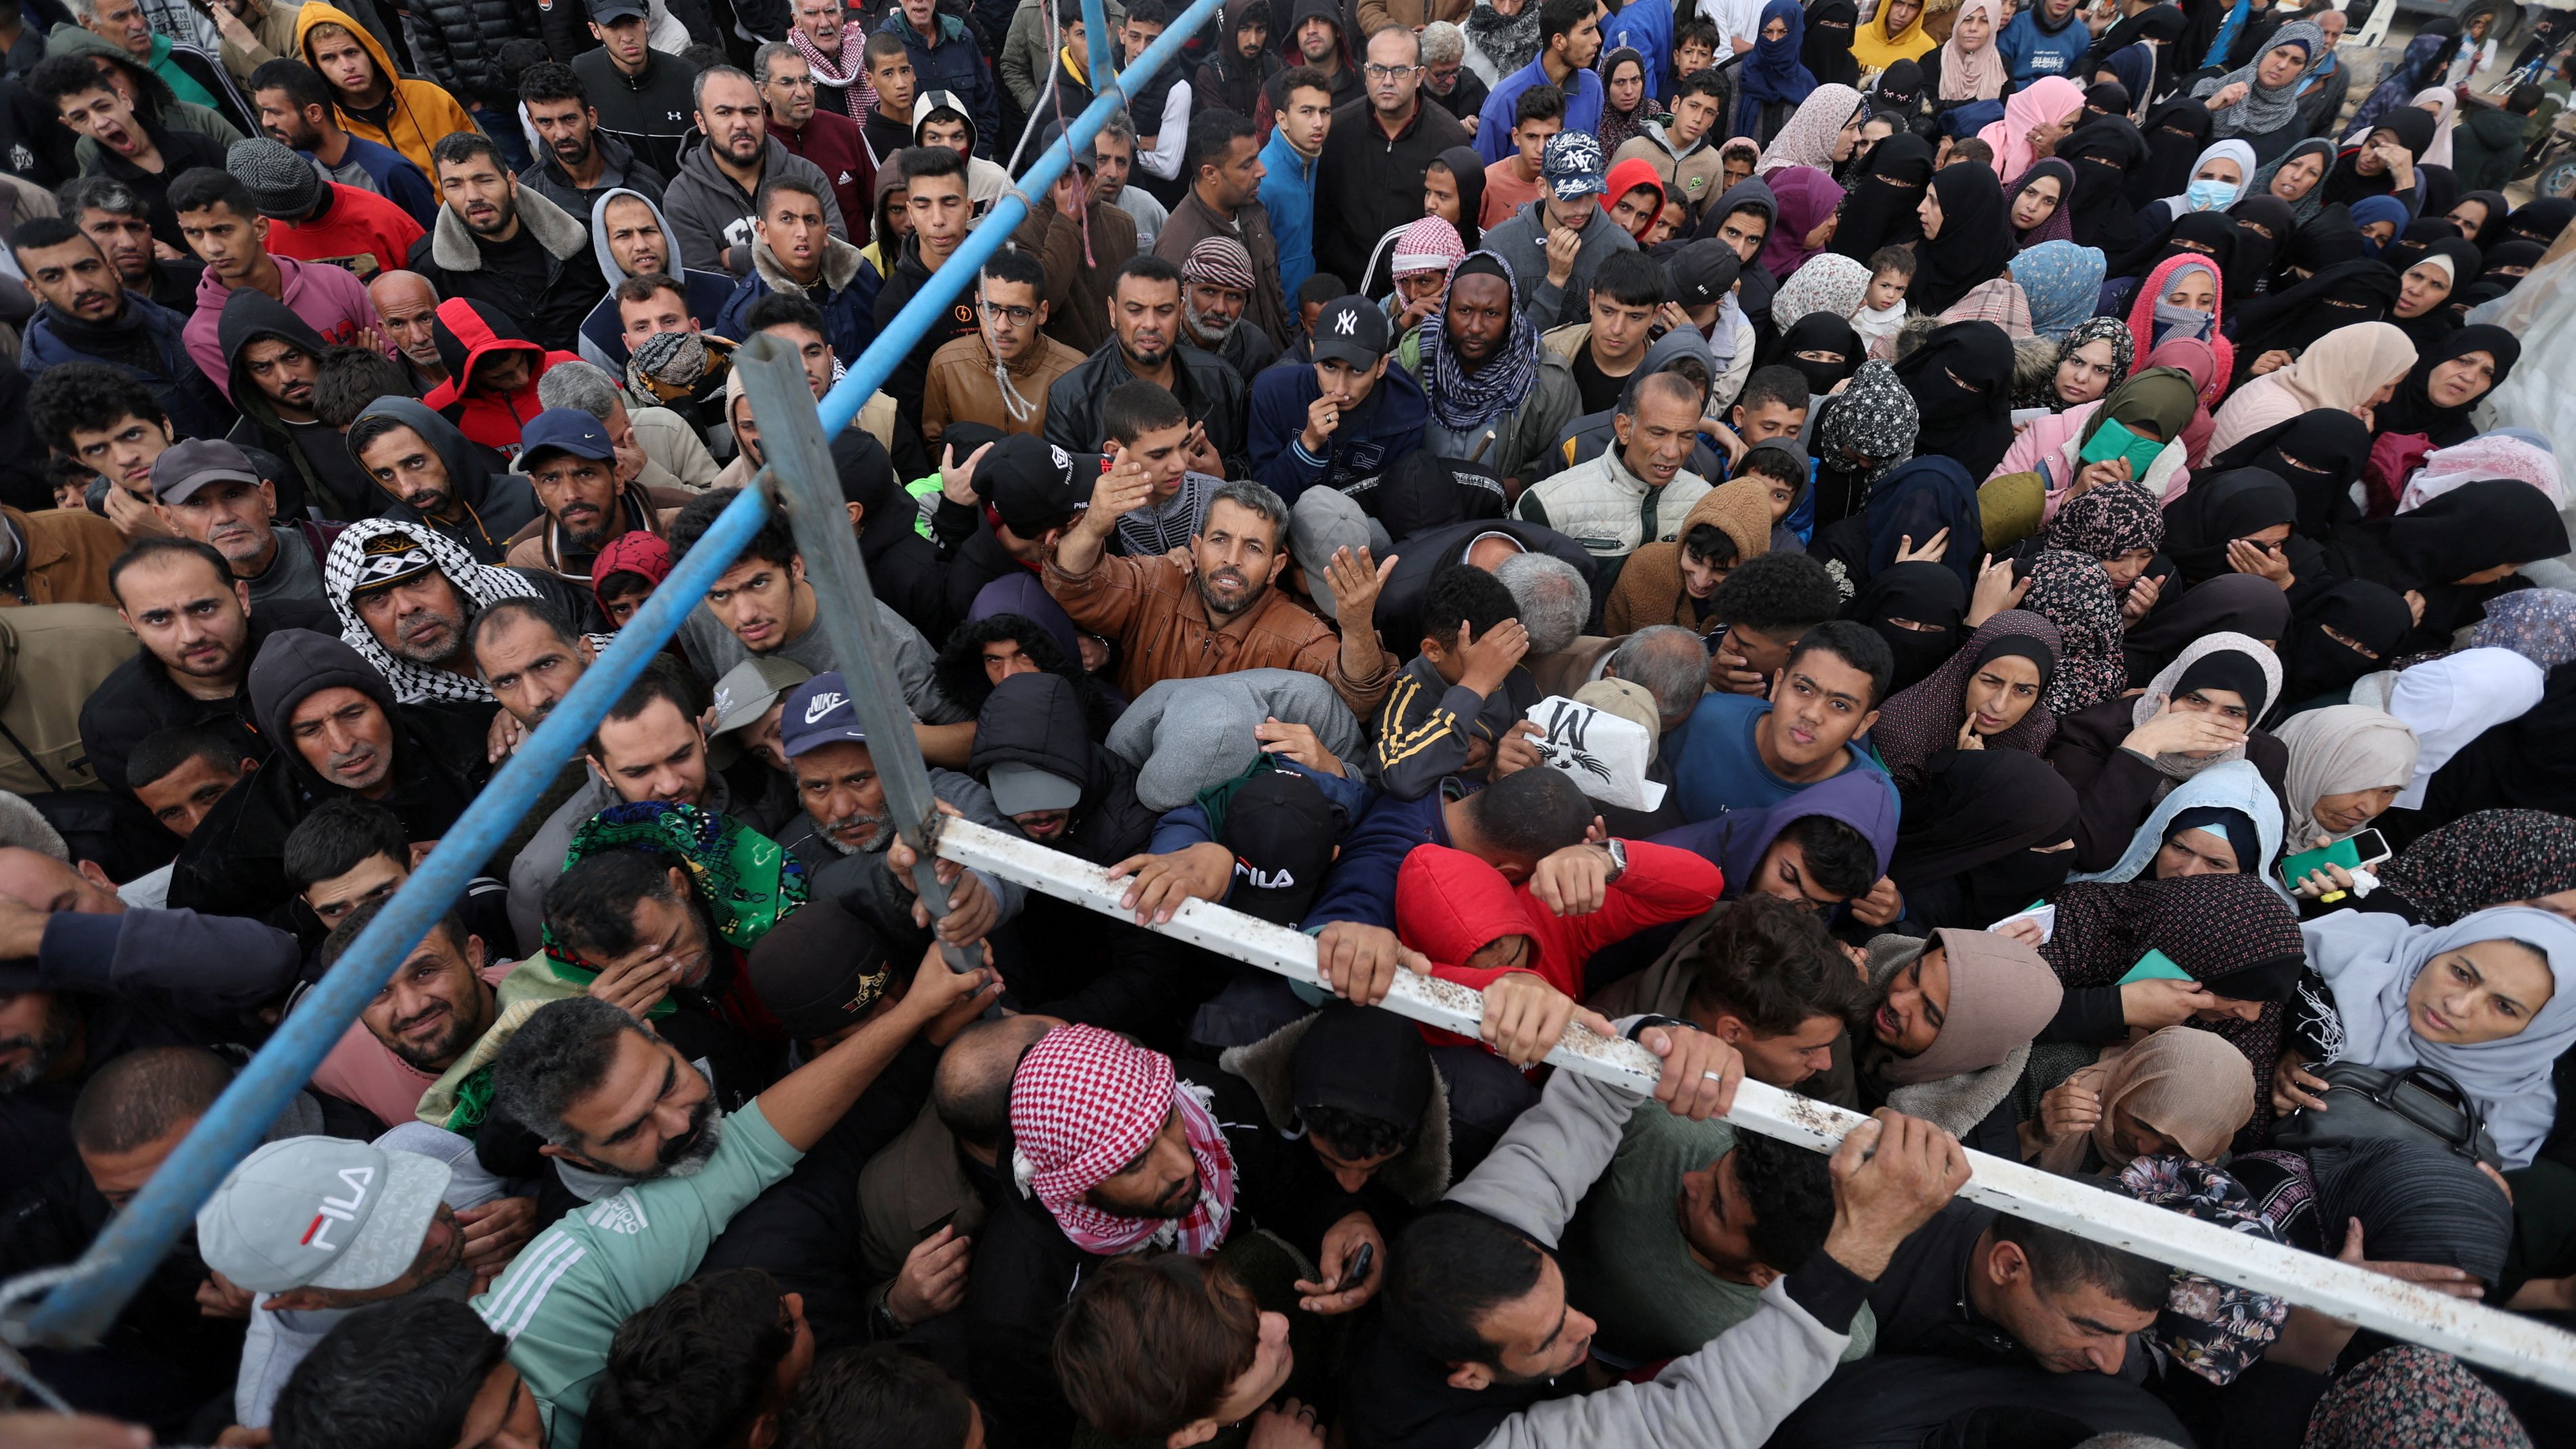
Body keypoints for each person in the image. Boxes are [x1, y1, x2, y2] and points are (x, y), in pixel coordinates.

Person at [167, 624, 491, 917]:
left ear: (385, 705)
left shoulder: (476, 739)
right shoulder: (232, 851)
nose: (342, 744)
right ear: (285, 744)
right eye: (310, 730)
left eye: (352, 714)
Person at [1047, 463, 1396, 718]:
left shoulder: (1299, 635)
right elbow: (1075, 587)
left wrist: (1357, 627)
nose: (1232, 559)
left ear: (1276, 567)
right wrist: (1093, 526)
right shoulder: (1158, 582)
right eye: (1220, 540)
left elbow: (1357, 701)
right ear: (1196, 548)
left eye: (1254, 548)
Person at [2281, 907, 2576, 1170]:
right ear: (2438, 948)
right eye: (2461, 973)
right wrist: (2274, 1052)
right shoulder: (2327, 960)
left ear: (2540, 1031)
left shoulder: (2523, 1111)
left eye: (2504, 1007)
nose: (2456, 1006)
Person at [83, 535, 334, 798]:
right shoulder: (115, 723)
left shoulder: (327, 635)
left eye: (204, 609)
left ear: (242, 598)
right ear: (131, 623)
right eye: (159, 619)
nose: (190, 635)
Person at [13, 216, 232, 445]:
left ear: (112, 269)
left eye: (87, 267)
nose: (81, 287)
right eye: (54, 277)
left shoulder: (172, 323)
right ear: (35, 290)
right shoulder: (48, 384)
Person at [172, 165, 381, 397]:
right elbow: (266, 414)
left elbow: (389, 362)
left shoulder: (335, 282)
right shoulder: (205, 335)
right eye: (194, 233)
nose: (212, 248)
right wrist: (363, 374)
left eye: (222, 230)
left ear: (260, 228)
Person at [1044, 254, 1250, 476]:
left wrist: (1221, 477)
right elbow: (1063, 495)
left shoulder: (1222, 381)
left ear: (1181, 312)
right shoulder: (1071, 398)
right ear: (1113, 312)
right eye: (1135, 310)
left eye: (1164, 311)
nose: (1150, 324)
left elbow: (1252, 474)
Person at [1672, 619, 1896, 823]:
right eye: (1803, 689)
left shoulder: (1873, 802)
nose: (1812, 714)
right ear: (1778, 685)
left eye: (1840, 705)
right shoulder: (1707, 722)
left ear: (1864, 724)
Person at [1314, 25, 1471, 306]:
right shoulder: (1337, 131)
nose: (1387, 80)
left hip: (1418, 296)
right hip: (1345, 289)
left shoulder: (1448, 137)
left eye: (1399, 71)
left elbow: (1458, 226)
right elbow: (1322, 217)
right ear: (1365, 74)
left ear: (1419, 76)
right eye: (1378, 70)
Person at [1517, 369, 1711, 590]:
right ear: (1624, 429)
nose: (1672, 451)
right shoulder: (1548, 505)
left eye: (1686, 436)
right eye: (1658, 433)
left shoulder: (1707, 504)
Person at [23, 55, 230, 251]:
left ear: (124, 99)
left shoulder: (199, 145)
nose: (100, 122)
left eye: (103, 107)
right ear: (72, 126)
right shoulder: (100, 191)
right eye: (81, 117)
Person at [1249, 293, 1427, 504]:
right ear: (1313, 352)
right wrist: (1307, 444)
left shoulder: (1407, 410)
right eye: (1330, 366)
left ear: (1382, 366)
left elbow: (1398, 503)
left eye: (1357, 370)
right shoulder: (1274, 393)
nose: (1340, 389)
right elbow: (1261, 500)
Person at [289, 4, 477, 191]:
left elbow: (478, 159)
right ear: (316, 67)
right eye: (329, 58)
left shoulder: (429, 94)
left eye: (351, 52)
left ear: (369, 51)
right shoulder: (324, 125)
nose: (347, 66)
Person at [920, 249, 1084, 453]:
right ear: (977, 301)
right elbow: (936, 445)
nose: (1001, 326)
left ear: (1042, 313)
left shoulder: (1074, 372)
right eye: (991, 309)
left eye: (1018, 312)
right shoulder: (946, 365)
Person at [344, 396, 544, 562]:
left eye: (415, 463)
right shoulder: (390, 540)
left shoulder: (532, 498)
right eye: (386, 475)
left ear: (447, 449)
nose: (407, 489)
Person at [1483, 130, 1638, 329]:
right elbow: (1511, 345)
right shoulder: (1500, 245)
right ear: (1542, 187)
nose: (1581, 209)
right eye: (1570, 195)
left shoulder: (1622, 249)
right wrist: (1555, 280)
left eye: (1591, 194)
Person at [151, 436, 330, 609]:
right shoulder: (173, 604)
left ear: (268, 497)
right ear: (169, 520)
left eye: (233, 495)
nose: (223, 517)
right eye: (196, 503)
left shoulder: (342, 545)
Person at [710, 175, 872, 365]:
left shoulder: (862, 275)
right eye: (787, 219)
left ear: (826, 233)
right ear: (763, 231)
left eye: (811, 220)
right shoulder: (742, 314)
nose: (802, 232)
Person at [224, 135, 425, 282]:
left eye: (302, 213)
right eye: (278, 217)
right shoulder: (254, 235)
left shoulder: (381, 217)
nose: (292, 226)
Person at [515, 62, 668, 226]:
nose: (562, 133)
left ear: (591, 117)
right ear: (533, 124)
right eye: (546, 122)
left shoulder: (646, 184)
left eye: (570, 119)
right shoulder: (528, 195)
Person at [752, 41, 872, 238]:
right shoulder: (756, 145)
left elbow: (875, 203)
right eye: (787, 83)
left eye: (806, 80)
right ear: (764, 91)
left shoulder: (846, 130)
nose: (802, 92)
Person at [1473, 0, 1601, 163]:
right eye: (1587, 31)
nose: (1597, 39)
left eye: (1595, 28)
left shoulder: (1593, 86)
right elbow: (1485, 176)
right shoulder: (1504, 99)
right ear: (1559, 41)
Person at [61, 174, 205, 314]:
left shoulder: (202, 283)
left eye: (135, 228)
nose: (129, 243)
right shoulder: (64, 314)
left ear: (149, 232)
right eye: (105, 229)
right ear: (74, 241)